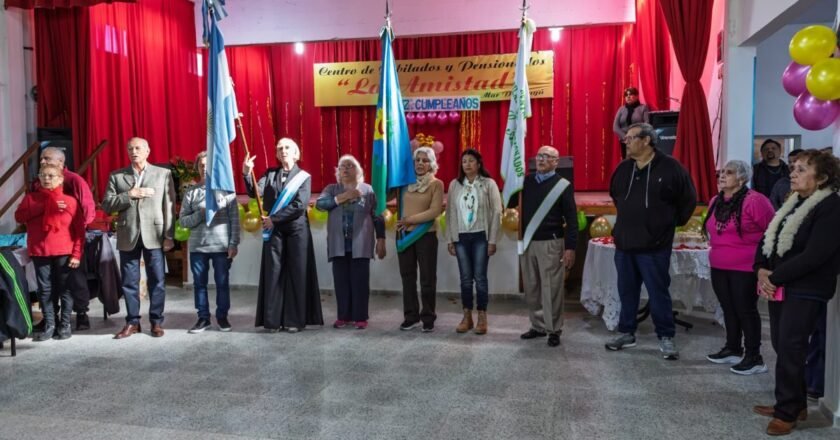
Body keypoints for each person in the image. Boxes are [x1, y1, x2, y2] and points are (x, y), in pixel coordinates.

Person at [752, 150, 840, 436]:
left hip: (807, 287)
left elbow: (816, 254)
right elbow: (769, 237)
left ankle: (787, 412)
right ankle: (795, 402)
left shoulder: (831, 206)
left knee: (792, 346)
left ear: (822, 178)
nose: (792, 173)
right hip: (782, 283)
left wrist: (774, 276)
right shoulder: (794, 201)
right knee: (782, 344)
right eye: (793, 168)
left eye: (801, 169)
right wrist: (760, 268)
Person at [605, 122, 697, 360]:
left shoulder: (671, 168)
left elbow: (688, 200)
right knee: (627, 292)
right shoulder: (623, 168)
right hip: (625, 245)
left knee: (658, 293)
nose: (625, 142)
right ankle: (626, 332)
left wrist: (666, 224)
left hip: (655, 247)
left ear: (646, 140)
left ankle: (666, 336)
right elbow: (615, 195)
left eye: (630, 138)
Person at [243, 138, 323, 333]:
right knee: (274, 273)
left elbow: (299, 205)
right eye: (279, 148)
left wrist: (274, 219)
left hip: (296, 230)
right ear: (277, 154)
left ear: (296, 154)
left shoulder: (304, 177)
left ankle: (294, 321)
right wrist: (247, 173)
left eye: (287, 147)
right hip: (275, 231)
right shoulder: (270, 174)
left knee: (297, 273)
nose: (283, 150)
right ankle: (273, 321)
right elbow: (255, 192)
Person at [704, 160, 775, 374]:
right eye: (721, 172)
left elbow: (772, 231)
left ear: (742, 178)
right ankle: (733, 348)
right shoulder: (715, 200)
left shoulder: (755, 201)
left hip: (746, 266)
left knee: (745, 309)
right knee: (728, 307)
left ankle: (754, 357)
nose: (722, 176)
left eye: (729, 172)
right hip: (719, 264)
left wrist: (766, 265)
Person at [102, 137, 176, 339]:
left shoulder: (163, 174)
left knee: (157, 280)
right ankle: (132, 322)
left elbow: (169, 207)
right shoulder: (117, 176)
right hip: (128, 234)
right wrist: (130, 195)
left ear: (147, 151)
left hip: (155, 234)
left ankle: (156, 321)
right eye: (130, 149)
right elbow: (107, 205)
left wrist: (169, 235)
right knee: (129, 281)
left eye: (137, 148)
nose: (133, 152)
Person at [316, 154, 386, 330]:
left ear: (358, 170)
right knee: (341, 281)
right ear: (338, 171)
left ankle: (360, 317)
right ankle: (343, 316)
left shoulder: (367, 189)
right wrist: (345, 196)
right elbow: (320, 204)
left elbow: (377, 215)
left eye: (350, 166)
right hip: (338, 243)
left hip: (361, 243)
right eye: (342, 166)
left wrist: (381, 239)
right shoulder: (332, 189)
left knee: (360, 281)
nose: (345, 169)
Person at [15, 164, 84, 341]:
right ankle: (50, 324)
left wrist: (76, 254)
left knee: (65, 288)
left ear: (60, 179)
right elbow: (19, 217)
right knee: (44, 290)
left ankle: (65, 324)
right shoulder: (31, 199)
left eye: (51, 176)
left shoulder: (69, 201)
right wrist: (45, 206)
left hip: (64, 251)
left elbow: (79, 230)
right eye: (43, 175)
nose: (46, 179)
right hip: (40, 251)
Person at [517, 146, 578, 347]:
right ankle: (538, 326)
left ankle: (554, 329)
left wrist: (570, 247)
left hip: (551, 243)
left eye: (546, 156)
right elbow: (511, 203)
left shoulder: (562, 185)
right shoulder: (526, 182)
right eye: (539, 156)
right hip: (528, 242)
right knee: (532, 287)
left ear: (556, 161)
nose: (541, 159)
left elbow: (571, 219)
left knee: (551, 288)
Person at [31, 147, 96, 332]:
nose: (42, 162)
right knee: (48, 283)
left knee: (74, 280)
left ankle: (81, 314)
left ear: (61, 162)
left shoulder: (74, 180)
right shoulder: (38, 181)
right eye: (41, 159)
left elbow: (88, 209)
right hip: (46, 242)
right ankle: (51, 318)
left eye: (47, 158)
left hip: (71, 240)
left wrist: (76, 233)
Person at [179, 151, 240, 334]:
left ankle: (222, 317)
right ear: (197, 168)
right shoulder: (191, 192)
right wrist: (201, 213)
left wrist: (233, 244)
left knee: (222, 283)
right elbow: (183, 221)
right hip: (198, 247)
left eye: (208, 165)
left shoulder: (227, 192)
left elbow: (234, 219)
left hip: (221, 246)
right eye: (201, 165)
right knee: (199, 284)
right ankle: (203, 318)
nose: (204, 168)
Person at [445, 149, 502, 335]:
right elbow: (450, 213)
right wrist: (450, 239)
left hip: (481, 237)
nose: (467, 164)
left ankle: (482, 316)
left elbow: (497, 212)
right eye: (464, 161)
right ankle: (467, 316)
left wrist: (492, 240)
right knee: (465, 279)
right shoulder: (455, 185)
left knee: (480, 278)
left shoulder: (488, 184)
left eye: (471, 161)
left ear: (478, 164)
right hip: (461, 237)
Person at [397, 146, 444, 333]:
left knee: (427, 278)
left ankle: (428, 317)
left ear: (431, 164)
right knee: (407, 278)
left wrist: (410, 220)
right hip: (404, 236)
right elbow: (385, 194)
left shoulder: (436, 184)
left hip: (426, 236)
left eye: (425, 160)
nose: (420, 163)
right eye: (417, 160)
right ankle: (411, 317)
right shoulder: (404, 183)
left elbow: (435, 211)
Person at [612, 87, 650, 159]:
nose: (628, 97)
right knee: (627, 162)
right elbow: (615, 127)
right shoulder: (621, 109)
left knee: (637, 161)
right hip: (625, 141)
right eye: (626, 95)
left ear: (636, 96)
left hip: (638, 140)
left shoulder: (643, 108)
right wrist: (625, 137)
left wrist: (636, 137)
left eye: (631, 94)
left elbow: (646, 124)